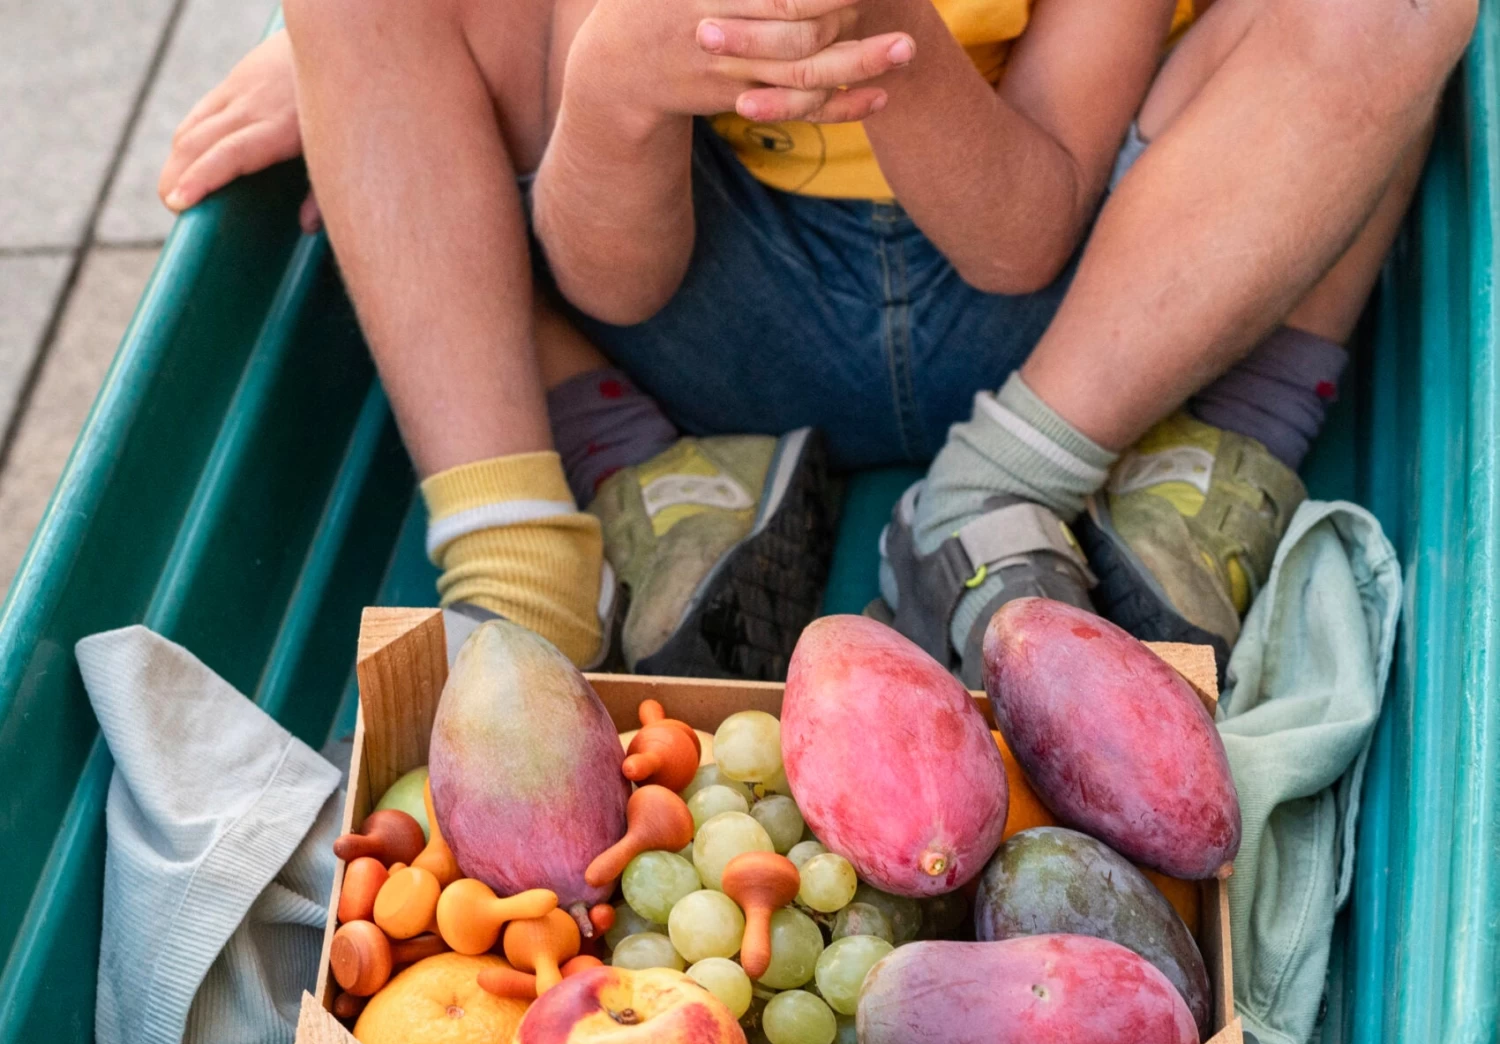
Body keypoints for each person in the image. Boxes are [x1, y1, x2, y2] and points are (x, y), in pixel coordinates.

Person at [161, 0, 1475, 685]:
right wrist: (616, 90)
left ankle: (1017, 488)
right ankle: (526, 569)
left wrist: (882, 40)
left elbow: (1022, 233)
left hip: (1086, 319)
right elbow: (613, 272)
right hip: (712, 316)